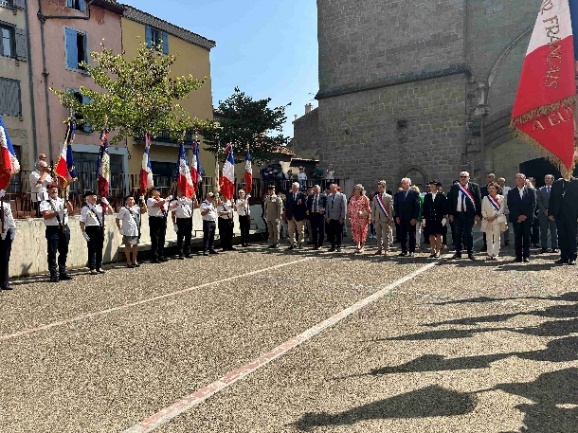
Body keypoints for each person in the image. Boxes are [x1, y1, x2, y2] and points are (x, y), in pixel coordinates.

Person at [39, 183, 74, 282]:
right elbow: (46, 216)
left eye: (55, 189)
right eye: (51, 189)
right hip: (52, 229)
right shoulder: (45, 203)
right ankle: (53, 274)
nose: (54, 190)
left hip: (64, 228)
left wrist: (67, 200)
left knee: (64, 251)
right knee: (52, 251)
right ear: (48, 191)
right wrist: (58, 212)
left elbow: (71, 210)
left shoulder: (62, 201)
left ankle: (62, 272)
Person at [447, 171, 482, 260]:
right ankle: (458, 253)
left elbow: (478, 201)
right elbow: (450, 201)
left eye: (465, 177)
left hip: (469, 215)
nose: (463, 178)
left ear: (468, 178)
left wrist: (477, 214)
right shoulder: (454, 187)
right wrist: (450, 214)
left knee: (469, 234)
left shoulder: (474, 187)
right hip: (457, 214)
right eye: (461, 177)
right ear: (459, 178)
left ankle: (470, 253)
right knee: (457, 234)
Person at [80, 191, 113, 275]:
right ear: (87, 198)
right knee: (92, 248)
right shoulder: (85, 208)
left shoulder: (100, 207)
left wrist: (107, 203)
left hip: (100, 228)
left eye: (95, 196)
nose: (94, 198)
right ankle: (92, 267)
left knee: (99, 248)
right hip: (91, 228)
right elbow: (82, 222)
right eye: (91, 196)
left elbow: (111, 212)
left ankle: (99, 266)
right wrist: (83, 232)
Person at [548, 176, 578, 265]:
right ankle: (564, 256)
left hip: (572, 214)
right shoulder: (557, 184)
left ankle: (572, 257)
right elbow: (552, 199)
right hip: (559, 214)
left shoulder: (576, 182)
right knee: (561, 236)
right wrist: (551, 213)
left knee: (572, 235)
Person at [507, 173, 536, 263]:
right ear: (515, 180)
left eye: (521, 178)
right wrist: (518, 216)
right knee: (518, 237)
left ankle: (526, 256)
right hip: (517, 219)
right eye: (517, 178)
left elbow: (533, 205)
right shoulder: (511, 192)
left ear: (524, 180)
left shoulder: (531, 191)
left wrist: (525, 216)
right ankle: (518, 256)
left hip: (527, 218)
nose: (519, 180)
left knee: (527, 237)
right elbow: (510, 205)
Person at [116, 194, 147, 268]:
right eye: (129, 199)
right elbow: (117, 219)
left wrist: (143, 201)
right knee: (128, 245)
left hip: (135, 230)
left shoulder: (136, 208)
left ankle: (134, 260)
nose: (131, 201)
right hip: (127, 230)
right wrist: (120, 228)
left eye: (132, 199)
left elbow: (144, 210)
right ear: (126, 201)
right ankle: (128, 261)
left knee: (135, 245)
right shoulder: (124, 209)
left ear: (134, 201)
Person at [393, 178, 420, 257]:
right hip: (402, 218)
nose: (403, 185)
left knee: (411, 234)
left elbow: (417, 207)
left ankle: (412, 250)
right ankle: (404, 250)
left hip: (411, 218)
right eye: (402, 183)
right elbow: (396, 206)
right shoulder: (399, 194)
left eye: (404, 183)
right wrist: (397, 216)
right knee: (402, 235)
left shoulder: (414, 194)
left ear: (409, 184)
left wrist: (414, 217)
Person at [481, 182, 506, 261]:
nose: (491, 190)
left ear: (497, 189)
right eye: (490, 188)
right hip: (488, 220)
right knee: (488, 238)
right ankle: (489, 253)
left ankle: (495, 254)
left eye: (493, 188)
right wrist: (486, 217)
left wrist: (495, 216)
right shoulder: (485, 198)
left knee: (496, 237)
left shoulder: (501, 198)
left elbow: (502, 209)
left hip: (496, 220)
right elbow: (483, 210)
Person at [422, 180, 447, 259]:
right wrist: (424, 218)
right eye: (430, 185)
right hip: (430, 218)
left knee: (439, 234)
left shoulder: (441, 196)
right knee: (431, 235)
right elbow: (425, 208)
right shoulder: (427, 196)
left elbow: (445, 207)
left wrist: (444, 217)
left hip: (439, 218)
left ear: (437, 186)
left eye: (433, 185)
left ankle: (438, 250)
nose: (431, 186)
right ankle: (433, 250)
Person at [170, 190, 196, 259]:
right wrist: (174, 224)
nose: (182, 193)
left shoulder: (188, 200)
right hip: (180, 220)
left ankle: (188, 252)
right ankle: (180, 253)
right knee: (180, 237)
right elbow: (172, 212)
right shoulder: (174, 201)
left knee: (188, 236)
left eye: (183, 191)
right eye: (181, 191)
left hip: (188, 219)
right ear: (177, 192)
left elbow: (195, 206)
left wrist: (195, 198)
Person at [147, 189, 171, 263]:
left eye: (158, 191)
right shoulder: (150, 200)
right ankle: (155, 256)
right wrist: (165, 200)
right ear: (152, 193)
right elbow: (157, 205)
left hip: (162, 218)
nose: (158, 192)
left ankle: (161, 255)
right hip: (154, 219)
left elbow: (167, 208)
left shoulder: (162, 199)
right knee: (155, 238)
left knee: (162, 237)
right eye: (156, 191)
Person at [371, 180, 394, 256]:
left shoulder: (388, 197)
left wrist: (390, 219)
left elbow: (390, 209)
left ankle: (386, 249)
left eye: (380, 187)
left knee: (386, 235)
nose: (379, 189)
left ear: (384, 187)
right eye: (378, 188)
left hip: (385, 219)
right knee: (378, 236)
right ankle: (379, 249)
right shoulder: (375, 197)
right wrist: (372, 218)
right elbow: (373, 208)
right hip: (377, 219)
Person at [536, 174, 558, 254]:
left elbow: (557, 201)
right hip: (543, 213)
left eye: (548, 178)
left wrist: (552, 211)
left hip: (553, 214)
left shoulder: (556, 189)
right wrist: (544, 210)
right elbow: (538, 201)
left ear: (552, 180)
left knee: (554, 231)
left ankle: (554, 247)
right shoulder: (540, 190)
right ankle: (544, 247)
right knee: (543, 231)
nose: (547, 180)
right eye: (546, 178)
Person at [284, 182, 308, 250]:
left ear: (298, 188)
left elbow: (304, 206)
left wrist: (305, 216)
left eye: (294, 187)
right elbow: (287, 205)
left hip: (299, 216)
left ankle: (300, 243)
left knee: (300, 231)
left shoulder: (302, 195)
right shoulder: (289, 194)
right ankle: (293, 243)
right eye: (292, 187)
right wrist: (286, 215)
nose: (293, 188)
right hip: (290, 215)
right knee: (291, 230)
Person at [347, 184, 371, 253]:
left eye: (358, 189)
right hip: (354, 219)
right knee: (355, 232)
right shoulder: (352, 198)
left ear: (361, 190)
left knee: (362, 232)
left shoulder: (365, 198)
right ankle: (357, 245)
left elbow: (368, 209)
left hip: (362, 218)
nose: (356, 191)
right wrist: (350, 215)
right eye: (355, 189)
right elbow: (349, 207)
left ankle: (362, 246)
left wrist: (365, 214)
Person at [0, 189, 15, 290]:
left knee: (5, 258)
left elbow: (10, 220)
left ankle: (4, 282)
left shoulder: (6, 205)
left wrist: (12, 232)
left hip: (6, 233)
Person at [325, 183, 347, 252]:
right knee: (331, 233)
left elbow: (344, 207)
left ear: (336, 188)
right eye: (330, 188)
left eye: (333, 188)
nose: (331, 190)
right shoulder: (329, 196)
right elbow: (327, 207)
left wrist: (342, 217)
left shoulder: (341, 196)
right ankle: (333, 246)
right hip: (331, 217)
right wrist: (327, 217)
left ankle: (339, 246)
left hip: (338, 217)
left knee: (339, 232)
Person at [306, 184, 326, 250]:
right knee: (313, 230)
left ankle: (320, 244)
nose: (316, 191)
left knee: (321, 230)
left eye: (317, 189)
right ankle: (315, 244)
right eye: (315, 190)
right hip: (313, 215)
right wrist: (308, 210)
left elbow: (326, 206)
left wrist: (323, 210)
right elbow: (308, 205)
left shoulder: (323, 196)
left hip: (320, 215)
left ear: (319, 190)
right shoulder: (310, 197)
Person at [480, 173, 496, 252]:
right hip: (485, 211)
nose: (487, 178)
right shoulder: (482, 189)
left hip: (494, 211)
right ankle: (486, 245)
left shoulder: (497, 188)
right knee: (486, 229)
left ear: (493, 178)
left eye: (489, 177)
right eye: (487, 177)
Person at [497, 177, 511, 246]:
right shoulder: (495, 189)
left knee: (506, 226)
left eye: (500, 181)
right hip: (497, 211)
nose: (499, 182)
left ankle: (506, 240)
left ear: (504, 182)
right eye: (498, 181)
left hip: (506, 210)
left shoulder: (508, 189)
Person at [413, 185, 424, 250]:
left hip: (419, 216)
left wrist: (422, 216)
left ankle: (417, 243)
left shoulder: (421, 198)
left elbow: (422, 207)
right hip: (411, 217)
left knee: (417, 230)